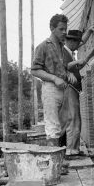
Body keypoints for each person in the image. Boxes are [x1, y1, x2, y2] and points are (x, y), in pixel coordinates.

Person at [31, 14, 76, 147]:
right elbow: (34, 70)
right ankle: (55, 163)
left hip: (64, 88)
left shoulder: (62, 48)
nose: (64, 32)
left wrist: (68, 73)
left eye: (65, 29)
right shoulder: (43, 46)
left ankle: (61, 159)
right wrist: (54, 78)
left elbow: (61, 67)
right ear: (52, 28)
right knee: (52, 126)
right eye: (61, 29)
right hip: (50, 89)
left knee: (65, 124)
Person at [61, 28, 94, 158]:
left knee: (76, 118)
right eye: (77, 43)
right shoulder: (63, 51)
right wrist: (77, 61)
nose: (78, 45)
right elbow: (63, 66)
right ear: (71, 42)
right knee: (73, 118)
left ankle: (73, 148)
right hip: (69, 88)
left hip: (73, 88)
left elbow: (82, 42)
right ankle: (70, 150)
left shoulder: (70, 51)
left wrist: (90, 31)